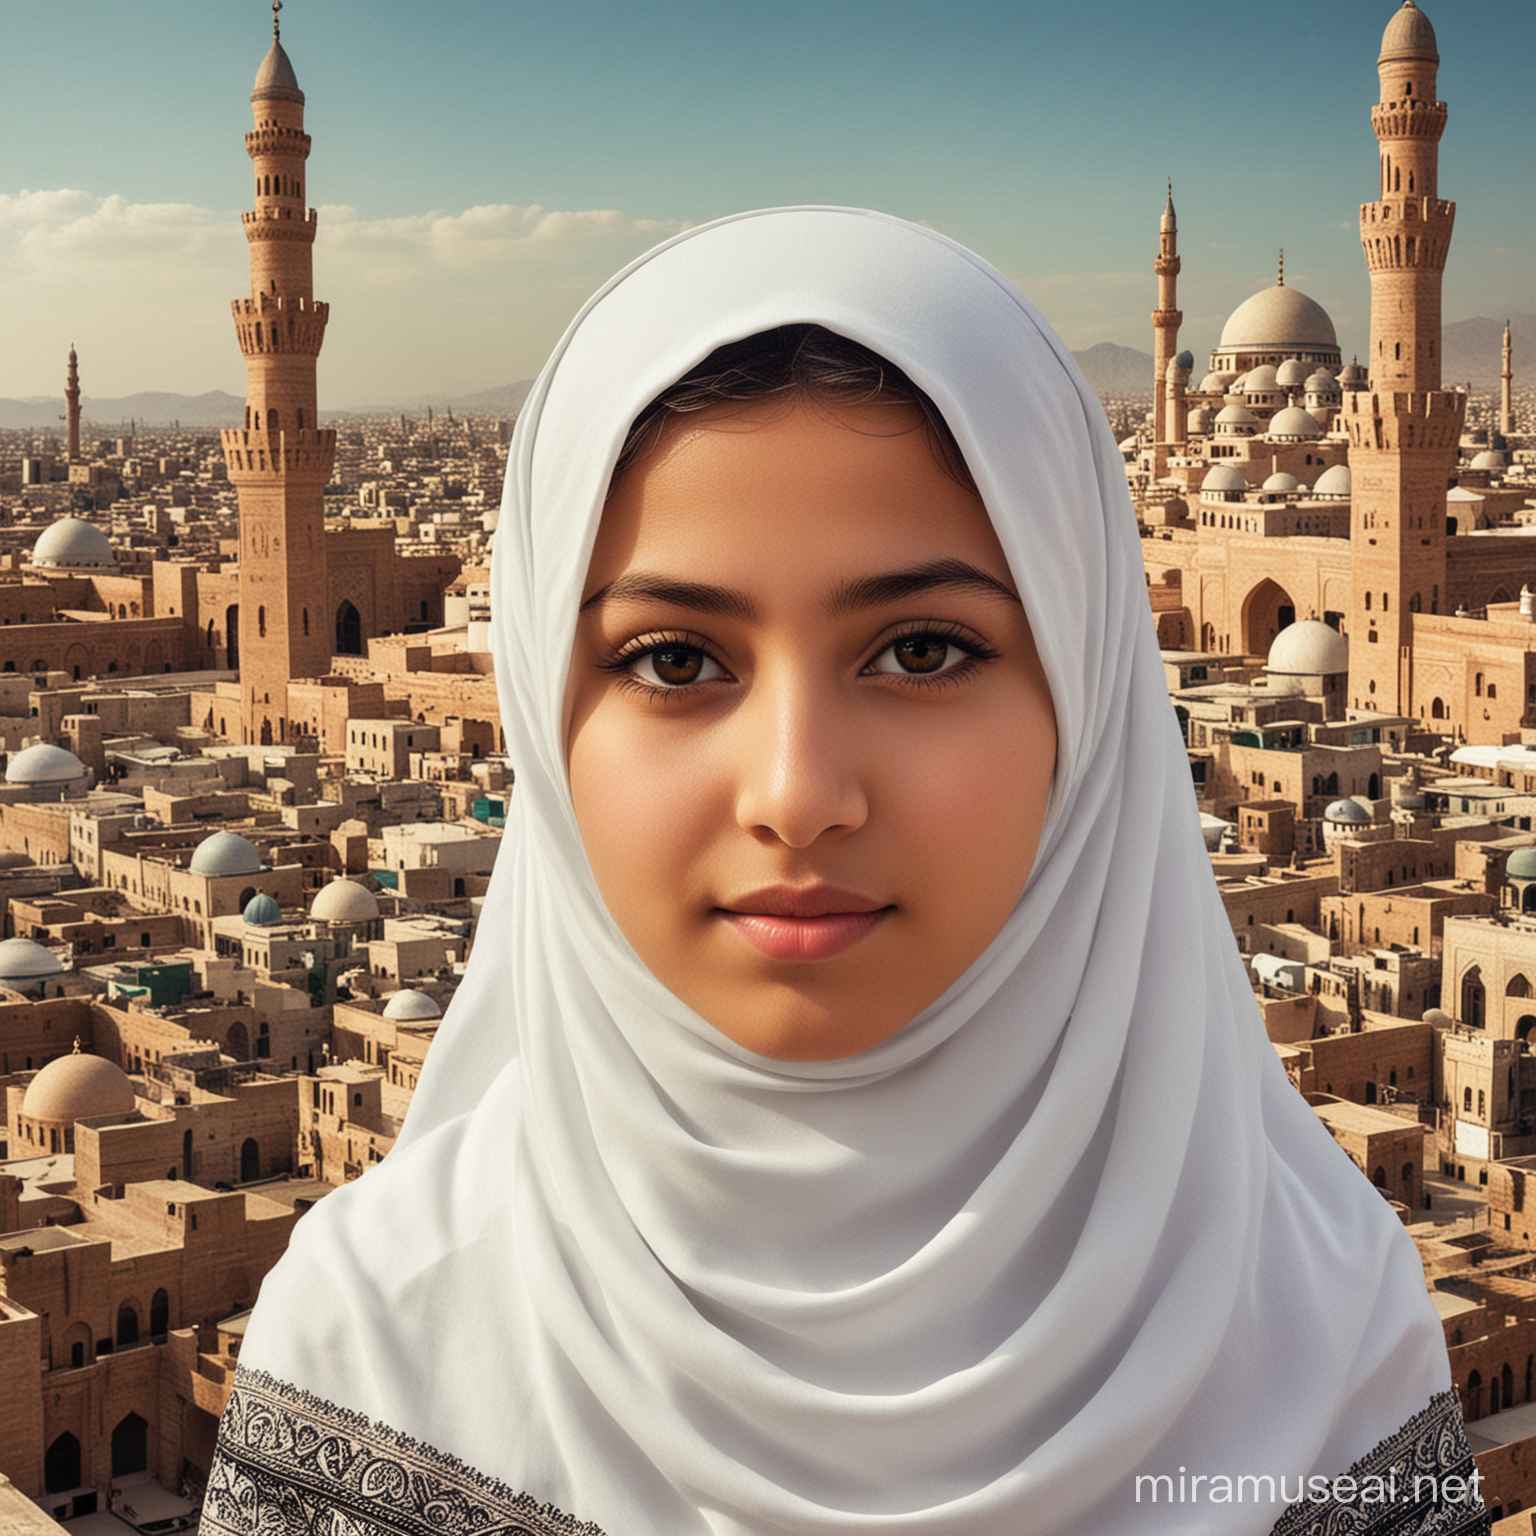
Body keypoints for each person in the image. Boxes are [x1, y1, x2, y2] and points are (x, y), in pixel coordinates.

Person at [202, 208, 1487, 1535]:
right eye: (675, 660)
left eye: (923, 652)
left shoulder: (1325, 1341)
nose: (799, 796)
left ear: (1093, 704)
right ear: (539, 710)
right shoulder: (377, 1344)